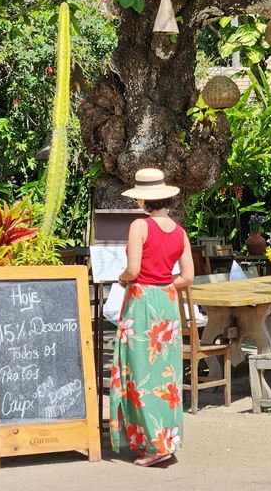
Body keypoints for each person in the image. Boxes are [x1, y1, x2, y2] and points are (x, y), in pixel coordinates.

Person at [110, 168, 194, 467]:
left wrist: (122, 279)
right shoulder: (180, 231)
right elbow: (188, 276)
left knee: (140, 370)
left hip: (143, 299)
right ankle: (165, 440)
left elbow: (133, 269)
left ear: (143, 200)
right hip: (167, 304)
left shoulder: (139, 226)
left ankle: (153, 445)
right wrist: (166, 283)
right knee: (166, 374)